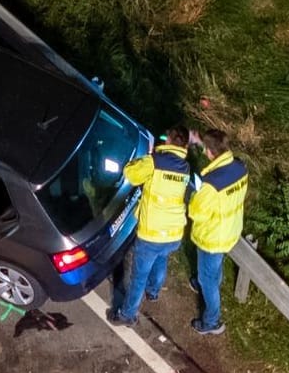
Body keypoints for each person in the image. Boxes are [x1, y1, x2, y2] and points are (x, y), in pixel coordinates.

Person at [107, 127, 192, 326]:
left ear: (168, 141)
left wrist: (148, 157)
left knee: (138, 278)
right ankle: (153, 292)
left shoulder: (154, 162)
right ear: (184, 146)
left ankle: (127, 315)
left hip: (152, 233)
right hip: (174, 232)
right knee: (161, 259)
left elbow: (131, 173)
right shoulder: (185, 167)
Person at [188, 129, 249, 335]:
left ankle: (211, 322)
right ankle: (204, 282)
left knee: (209, 280)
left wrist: (196, 196)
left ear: (210, 152)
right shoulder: (240, 167)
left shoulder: (211, 184)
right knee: (213, 268)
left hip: (212, 237)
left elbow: (196, 213)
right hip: (229, 230)